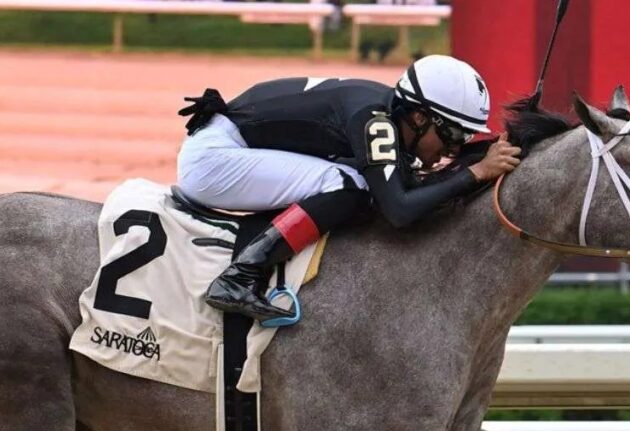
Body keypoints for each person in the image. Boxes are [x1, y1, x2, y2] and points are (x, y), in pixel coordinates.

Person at [177, 55, 522, 322]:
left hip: (229, 147)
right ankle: (240, 275)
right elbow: (399, 210)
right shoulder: (374, 120)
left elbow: (408, 186)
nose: (453, 149)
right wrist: (476, 172)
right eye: (453, 135)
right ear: (419, 118)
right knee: (349, 185)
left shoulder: (387, 113)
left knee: (356, 182)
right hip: (215, 160)